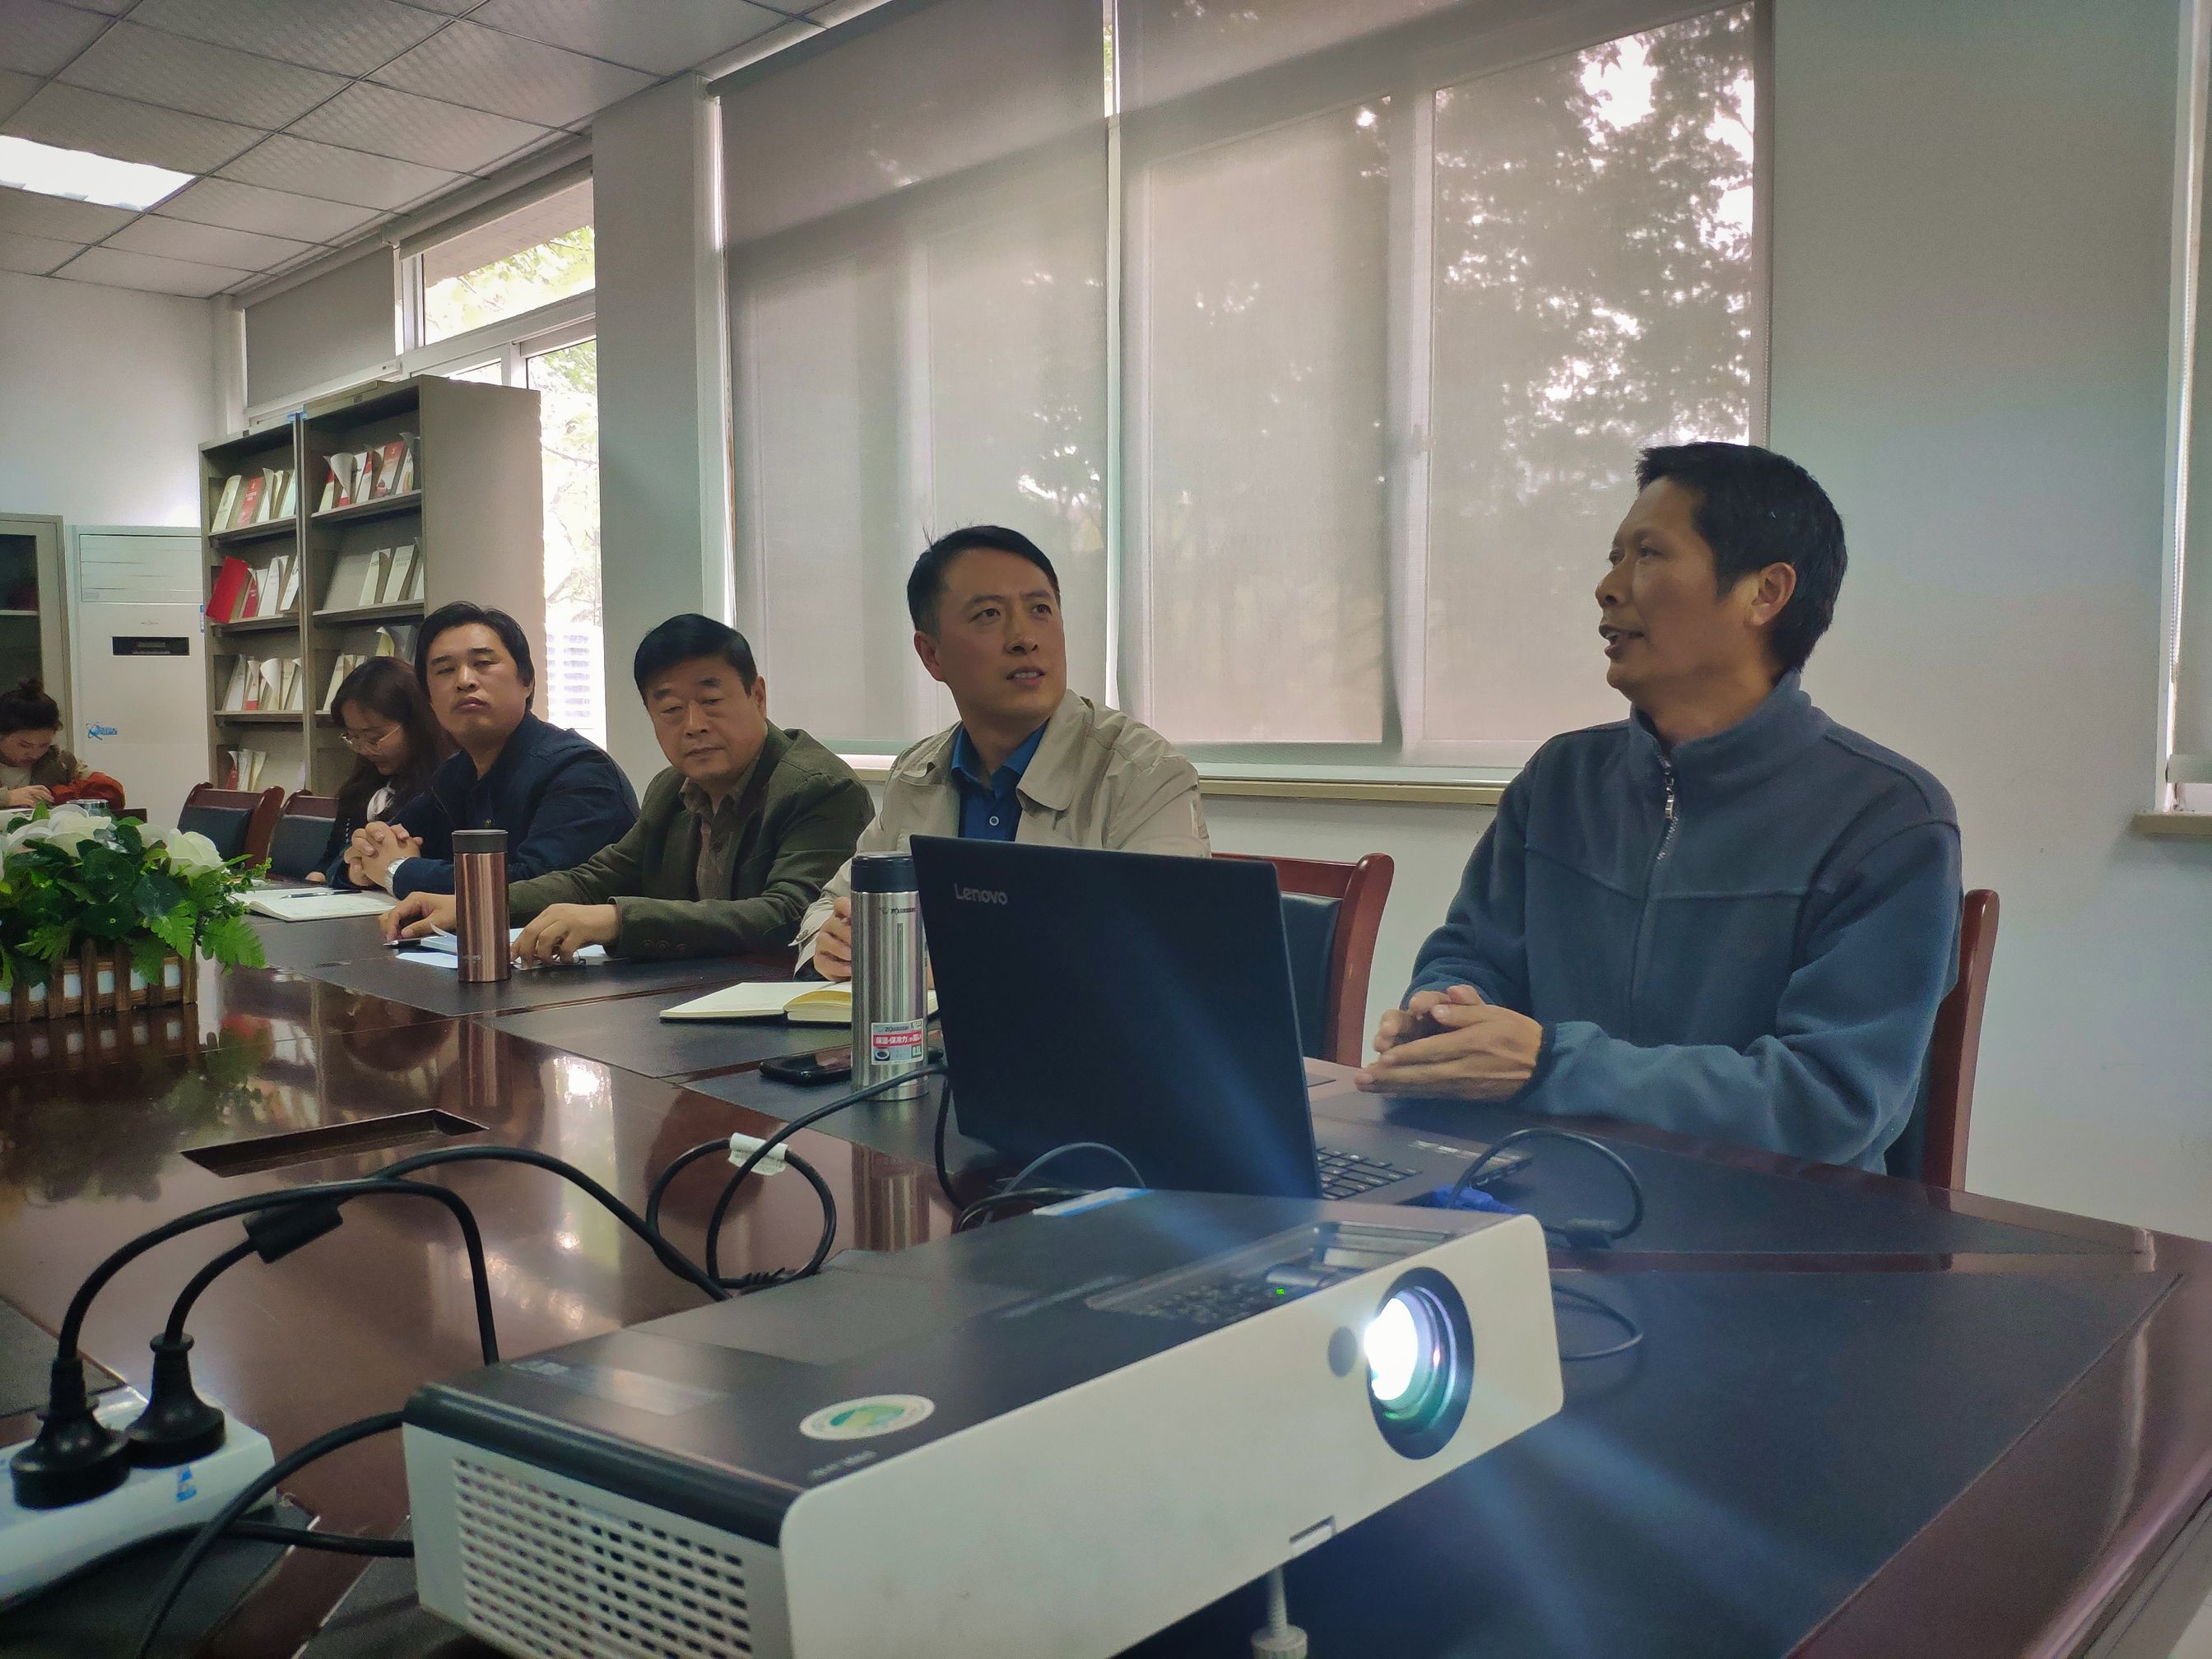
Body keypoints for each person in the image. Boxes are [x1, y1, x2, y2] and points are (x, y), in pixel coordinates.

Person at [1359, 442, 1961, 1173]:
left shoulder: (1888, 818)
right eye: (1614, 557)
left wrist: (1551, 1065)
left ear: (1765, 593)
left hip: (1766, 1220)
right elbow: (1472, 952)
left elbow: (1828, 1102)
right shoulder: (1561, 779)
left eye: (1647, 555)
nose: (1608, 588)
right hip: (1544, 1181)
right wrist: (1446, 1011)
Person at [796, 525, 1210, 979]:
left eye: (1040, 610)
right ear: (931, 654)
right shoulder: (917, 774)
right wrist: (832, 943)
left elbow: (1160, 953)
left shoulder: (1146, 775)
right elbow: (830, 906)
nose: (1024, 638)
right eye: (989, 614)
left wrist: (938, 970)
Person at [380, 614, 872, 963]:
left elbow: (790, 916)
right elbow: (595, 878)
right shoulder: (672, 788)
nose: (694, 725)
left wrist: (618, 921)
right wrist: (475, 905)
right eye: (670, 709)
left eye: (711, 701)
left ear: (758, 696)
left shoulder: (819, 788)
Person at [344, 601, 637, 898]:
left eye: (483, 663)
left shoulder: (579, 772)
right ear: (429, 699)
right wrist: (361, 863)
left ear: (527, 681)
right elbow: (372, 848)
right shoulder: (455, 774)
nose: (464, 681)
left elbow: (532, 885)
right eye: (445, 670)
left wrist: (396, 870)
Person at [312, 658, 452, 884]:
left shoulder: (444, 784)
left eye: (375, 738)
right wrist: (347, 872)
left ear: (417, 723)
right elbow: (331, 859)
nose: (363, 749)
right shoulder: (363, 782)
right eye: (353, 737)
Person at [0, 679, 121, 811]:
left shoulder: (60, 760)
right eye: (24, 745)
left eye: (44, 745)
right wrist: (7, 798)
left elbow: (111, 789)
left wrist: (56, 795)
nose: (35, 754)